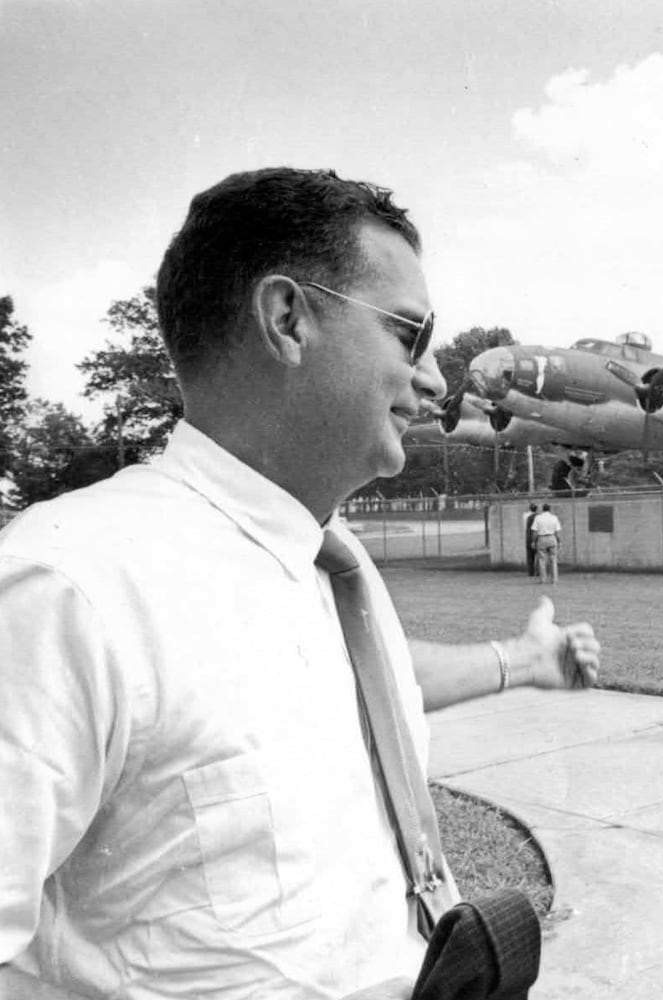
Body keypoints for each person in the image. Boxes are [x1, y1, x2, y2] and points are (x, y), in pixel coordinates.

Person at [0, 167, 601, 1000]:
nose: (433, 380)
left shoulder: (325, 556)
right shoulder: (69, 585)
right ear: (288, 319)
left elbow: (367, 683)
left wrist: (522, 661)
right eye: (410, 336)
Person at [531, 503, 563, 584]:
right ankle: (554, 580)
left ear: (542, 509)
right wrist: (559, 541)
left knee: (542, 560)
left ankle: (543, 580)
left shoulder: (538, 518)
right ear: (550, 509)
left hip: (541, 538)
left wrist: (534, 541)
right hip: (552, 538)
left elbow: (534, 531)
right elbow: (557, 532)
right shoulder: (554, 518)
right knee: (553, 560)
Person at [523, 502, 539, 579]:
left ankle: (531, 572)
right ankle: (539, 572)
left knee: (530, 557)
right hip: (538, 537)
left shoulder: (526, 516)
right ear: (537, 509)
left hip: (528, 537)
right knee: (539, 556)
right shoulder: (539, 516)